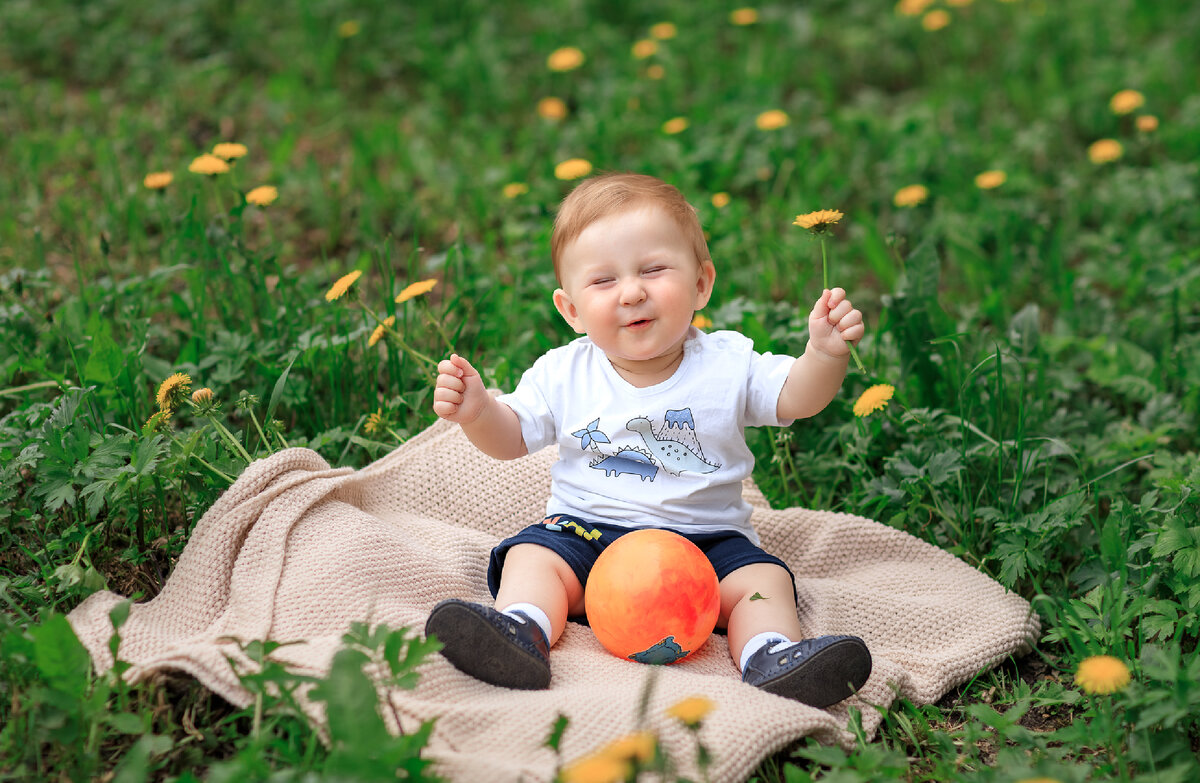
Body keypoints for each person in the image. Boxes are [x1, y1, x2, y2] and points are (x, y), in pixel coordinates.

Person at [424, 172, 872, 708]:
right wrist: (478, 412)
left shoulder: (728, 364)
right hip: (586, 535)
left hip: (707, 543)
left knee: (763, 580)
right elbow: (512, 437)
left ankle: (771, 654)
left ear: (701, 284)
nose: (632, 292)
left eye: (654, 270)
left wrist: (823, 356)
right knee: (531, 557)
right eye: (603, 281)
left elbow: (797, 399)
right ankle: (521, 629)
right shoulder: (563, 373)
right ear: (570, 310)